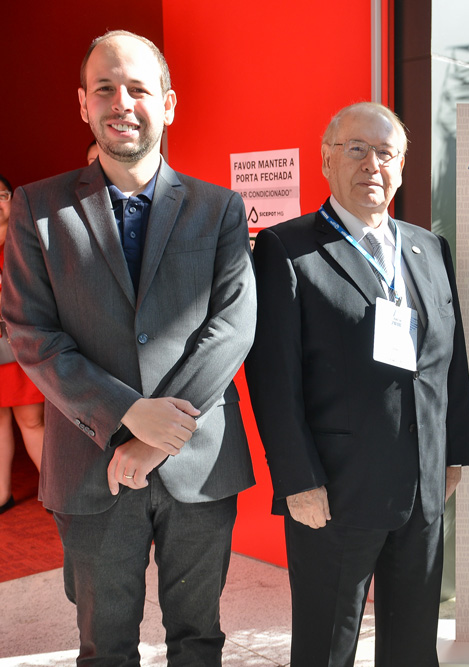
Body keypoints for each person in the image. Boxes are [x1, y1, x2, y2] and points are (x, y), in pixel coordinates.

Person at [1, 30, 256, 664]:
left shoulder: (219, 207)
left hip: (199, 465)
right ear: (82, 104)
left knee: (198, 641)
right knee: (104, 646)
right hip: (89, 467)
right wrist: (124, 415)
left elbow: (232, 326)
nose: (122, 102)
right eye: (106, 88)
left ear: (168, 103)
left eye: (138, 88)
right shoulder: (37, 208)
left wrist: (150, 436)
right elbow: (31, 333)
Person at [245, 101, 469, 667]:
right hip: (335, 494)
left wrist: (453, 456)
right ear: (327, 159)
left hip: (422, 488)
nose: (373, 164)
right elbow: (273, 380)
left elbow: (453, 360)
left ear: (400, 168)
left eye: (387, 153)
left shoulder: (428, 248)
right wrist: (298, 481)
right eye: (358, 149)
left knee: (413, 645)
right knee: (327, 645)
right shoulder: (286, 250)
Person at [0, 173, 44, 514]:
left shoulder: (28, 238)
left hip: (19, 348)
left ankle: (56, 491)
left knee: (31, 421)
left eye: (2, 194)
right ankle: (2, 495)